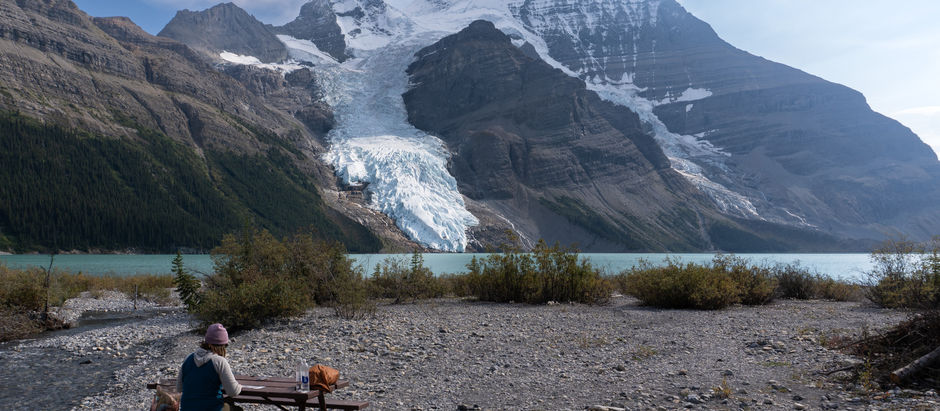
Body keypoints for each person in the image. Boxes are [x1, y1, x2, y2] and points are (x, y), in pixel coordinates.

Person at [176, 323, 243, 411]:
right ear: (220, 346)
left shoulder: (188, 359)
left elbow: (179, 388)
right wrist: (240, 386)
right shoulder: (219, 361)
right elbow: (233, 391)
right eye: (225, 345)